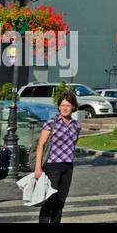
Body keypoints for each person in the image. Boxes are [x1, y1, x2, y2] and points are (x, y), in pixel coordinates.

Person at [34, 91, 81, 224]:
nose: (65, 108)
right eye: (62, 105)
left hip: (68, 166)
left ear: (73, 107)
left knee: (60, 202)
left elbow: (73, 144)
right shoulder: (51, 123)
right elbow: (40, 145)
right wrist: (38, 168)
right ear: (59, 107)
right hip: (52, 166)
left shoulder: (76, 125)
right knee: (49, 200)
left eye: (68, 105)